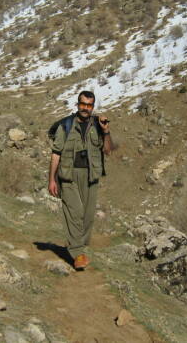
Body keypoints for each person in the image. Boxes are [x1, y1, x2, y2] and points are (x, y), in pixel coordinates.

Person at [48, 90, 112, 270]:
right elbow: (56, 153)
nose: (85, 108)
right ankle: (77, 253)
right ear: (77, 104)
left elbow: (107, 150)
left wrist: (106, 131)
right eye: (82, 104)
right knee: (74, 212)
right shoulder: (66, 125)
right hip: (69, 175)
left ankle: (78, 245)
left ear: (93, 106)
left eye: (89, 105)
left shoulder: (98, 125)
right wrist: (51, 179)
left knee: (87, 216)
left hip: (91, 176)